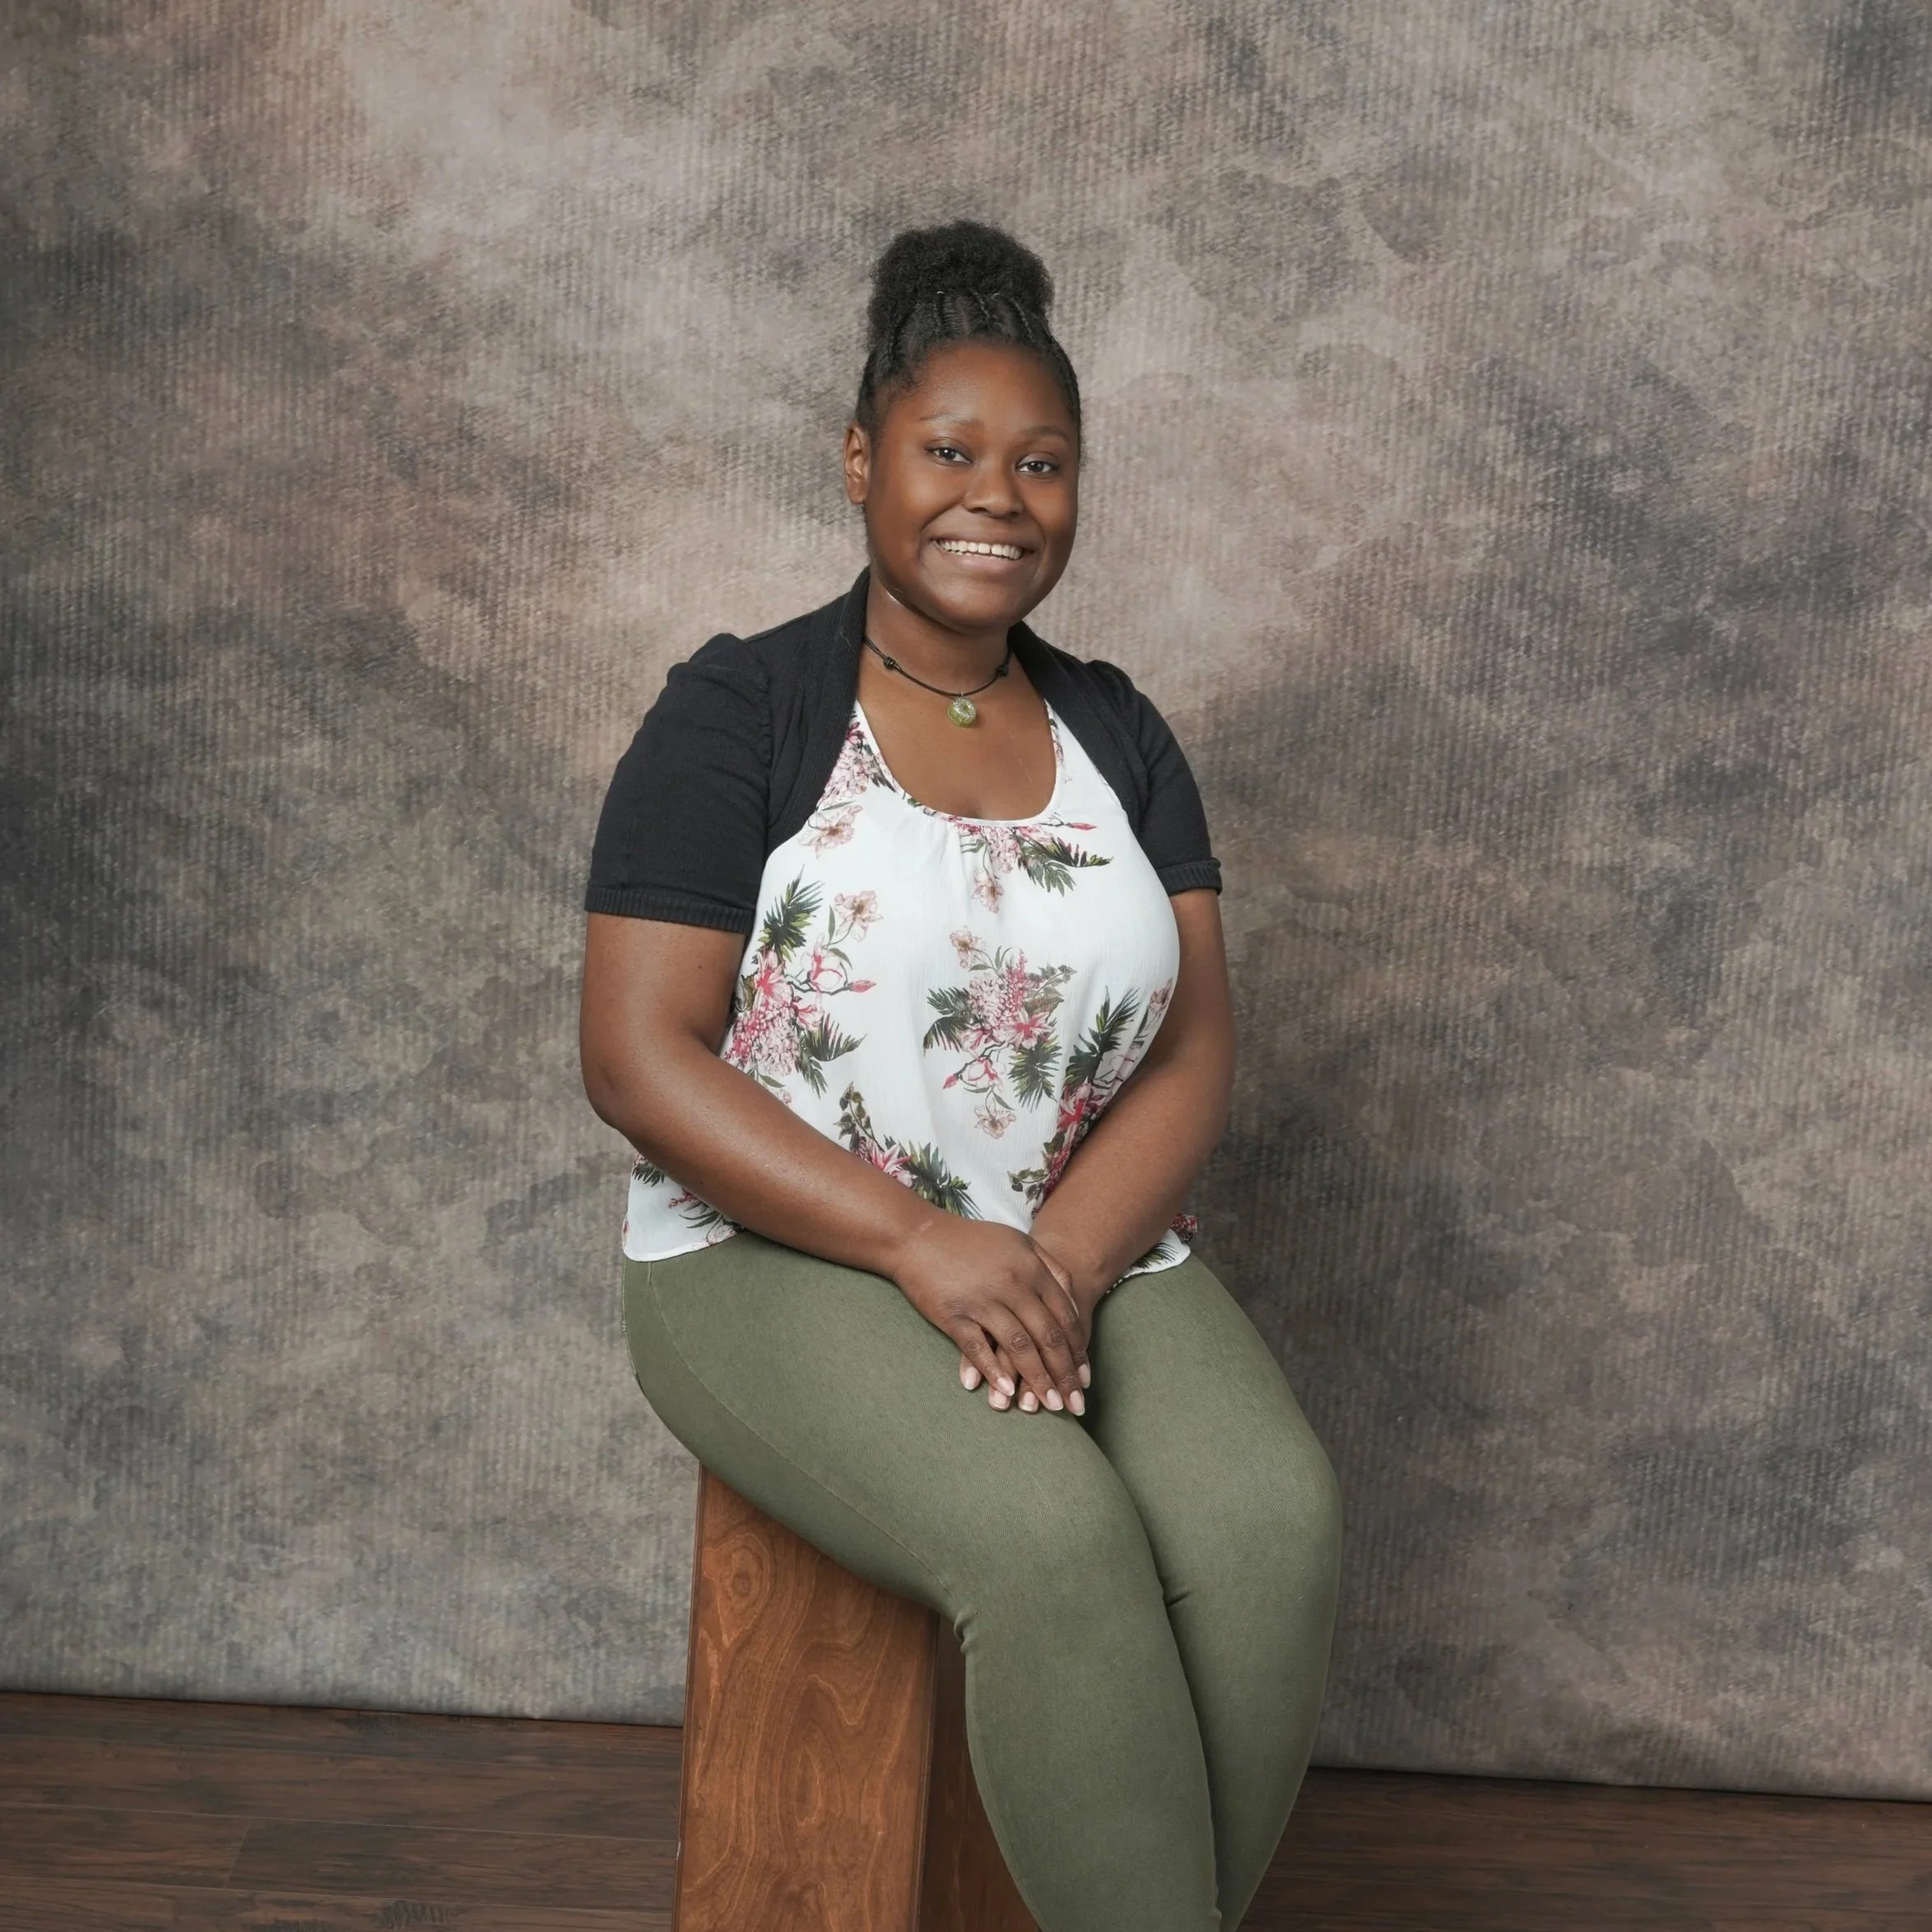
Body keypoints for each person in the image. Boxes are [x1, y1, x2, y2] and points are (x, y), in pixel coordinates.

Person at [578, 220, 1341, 1932]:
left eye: (1041, 463)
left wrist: (1054, 1262)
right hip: (770, 1252)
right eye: (948, 452)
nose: (996, 497)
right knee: (1050, 1541)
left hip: (1070, 1242)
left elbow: (1196, 1047)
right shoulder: (740, 712)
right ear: (862, 462)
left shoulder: (1118, 732)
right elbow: (634, 1055)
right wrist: (924, 1244)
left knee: (1271, 1520)